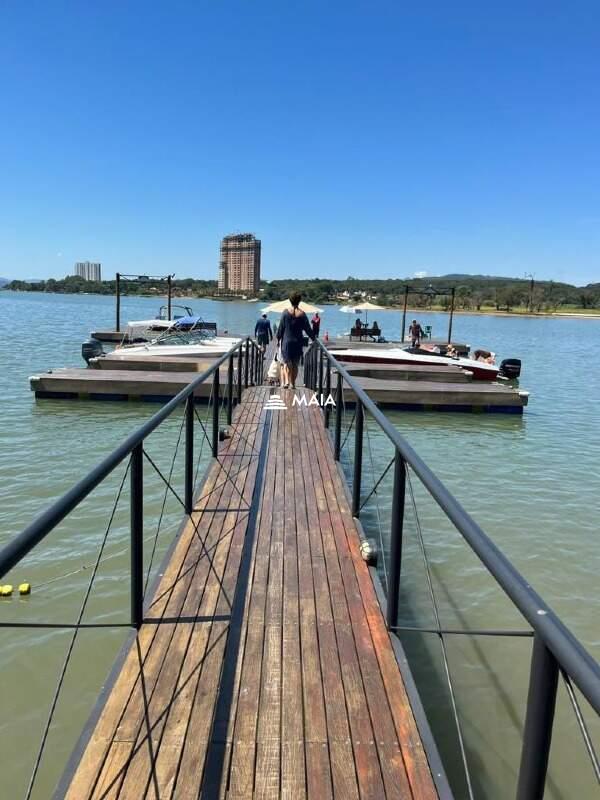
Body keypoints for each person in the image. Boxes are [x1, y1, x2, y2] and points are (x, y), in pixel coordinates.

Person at [276, 292, 315, 389]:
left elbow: (281, 328)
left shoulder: (285, 313)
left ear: (290, 300)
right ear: (299, 301)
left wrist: (278, 338)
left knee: (287, 363)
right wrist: (314, 339)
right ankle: (293, 383)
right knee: (295, 364)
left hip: (286, 342)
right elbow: (308, 329)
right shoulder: (302, 314)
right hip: (298, 342)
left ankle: (288, 382)